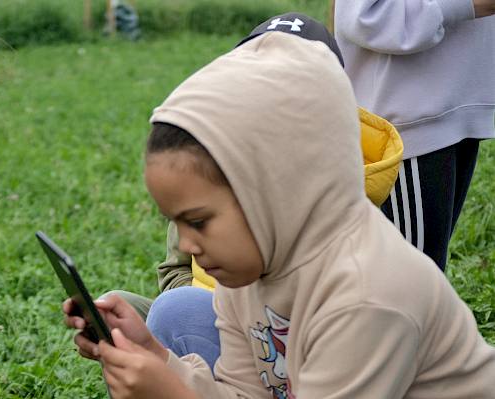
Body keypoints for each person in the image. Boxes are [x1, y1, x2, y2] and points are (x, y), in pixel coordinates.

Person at [65, 31, 495, 398]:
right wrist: (157, 358)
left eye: (197, 221)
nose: (186, 246)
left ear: (278, 187)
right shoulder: (251, 272)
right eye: (174, 223)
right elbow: (244, 392)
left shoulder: (370, 293)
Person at [106, 12, 403, 369]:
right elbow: (176, 270)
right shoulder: (214, 161)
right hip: (217, 316)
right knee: (121, 311)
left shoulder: (351, 183)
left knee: (175, 313)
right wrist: (207, 308)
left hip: (294, 345)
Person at [333, 0, 495, 270]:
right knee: (409, 286)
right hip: (406, 127)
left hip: (457, 105)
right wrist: (468, 4)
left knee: (422, 277)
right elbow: (366, 17)